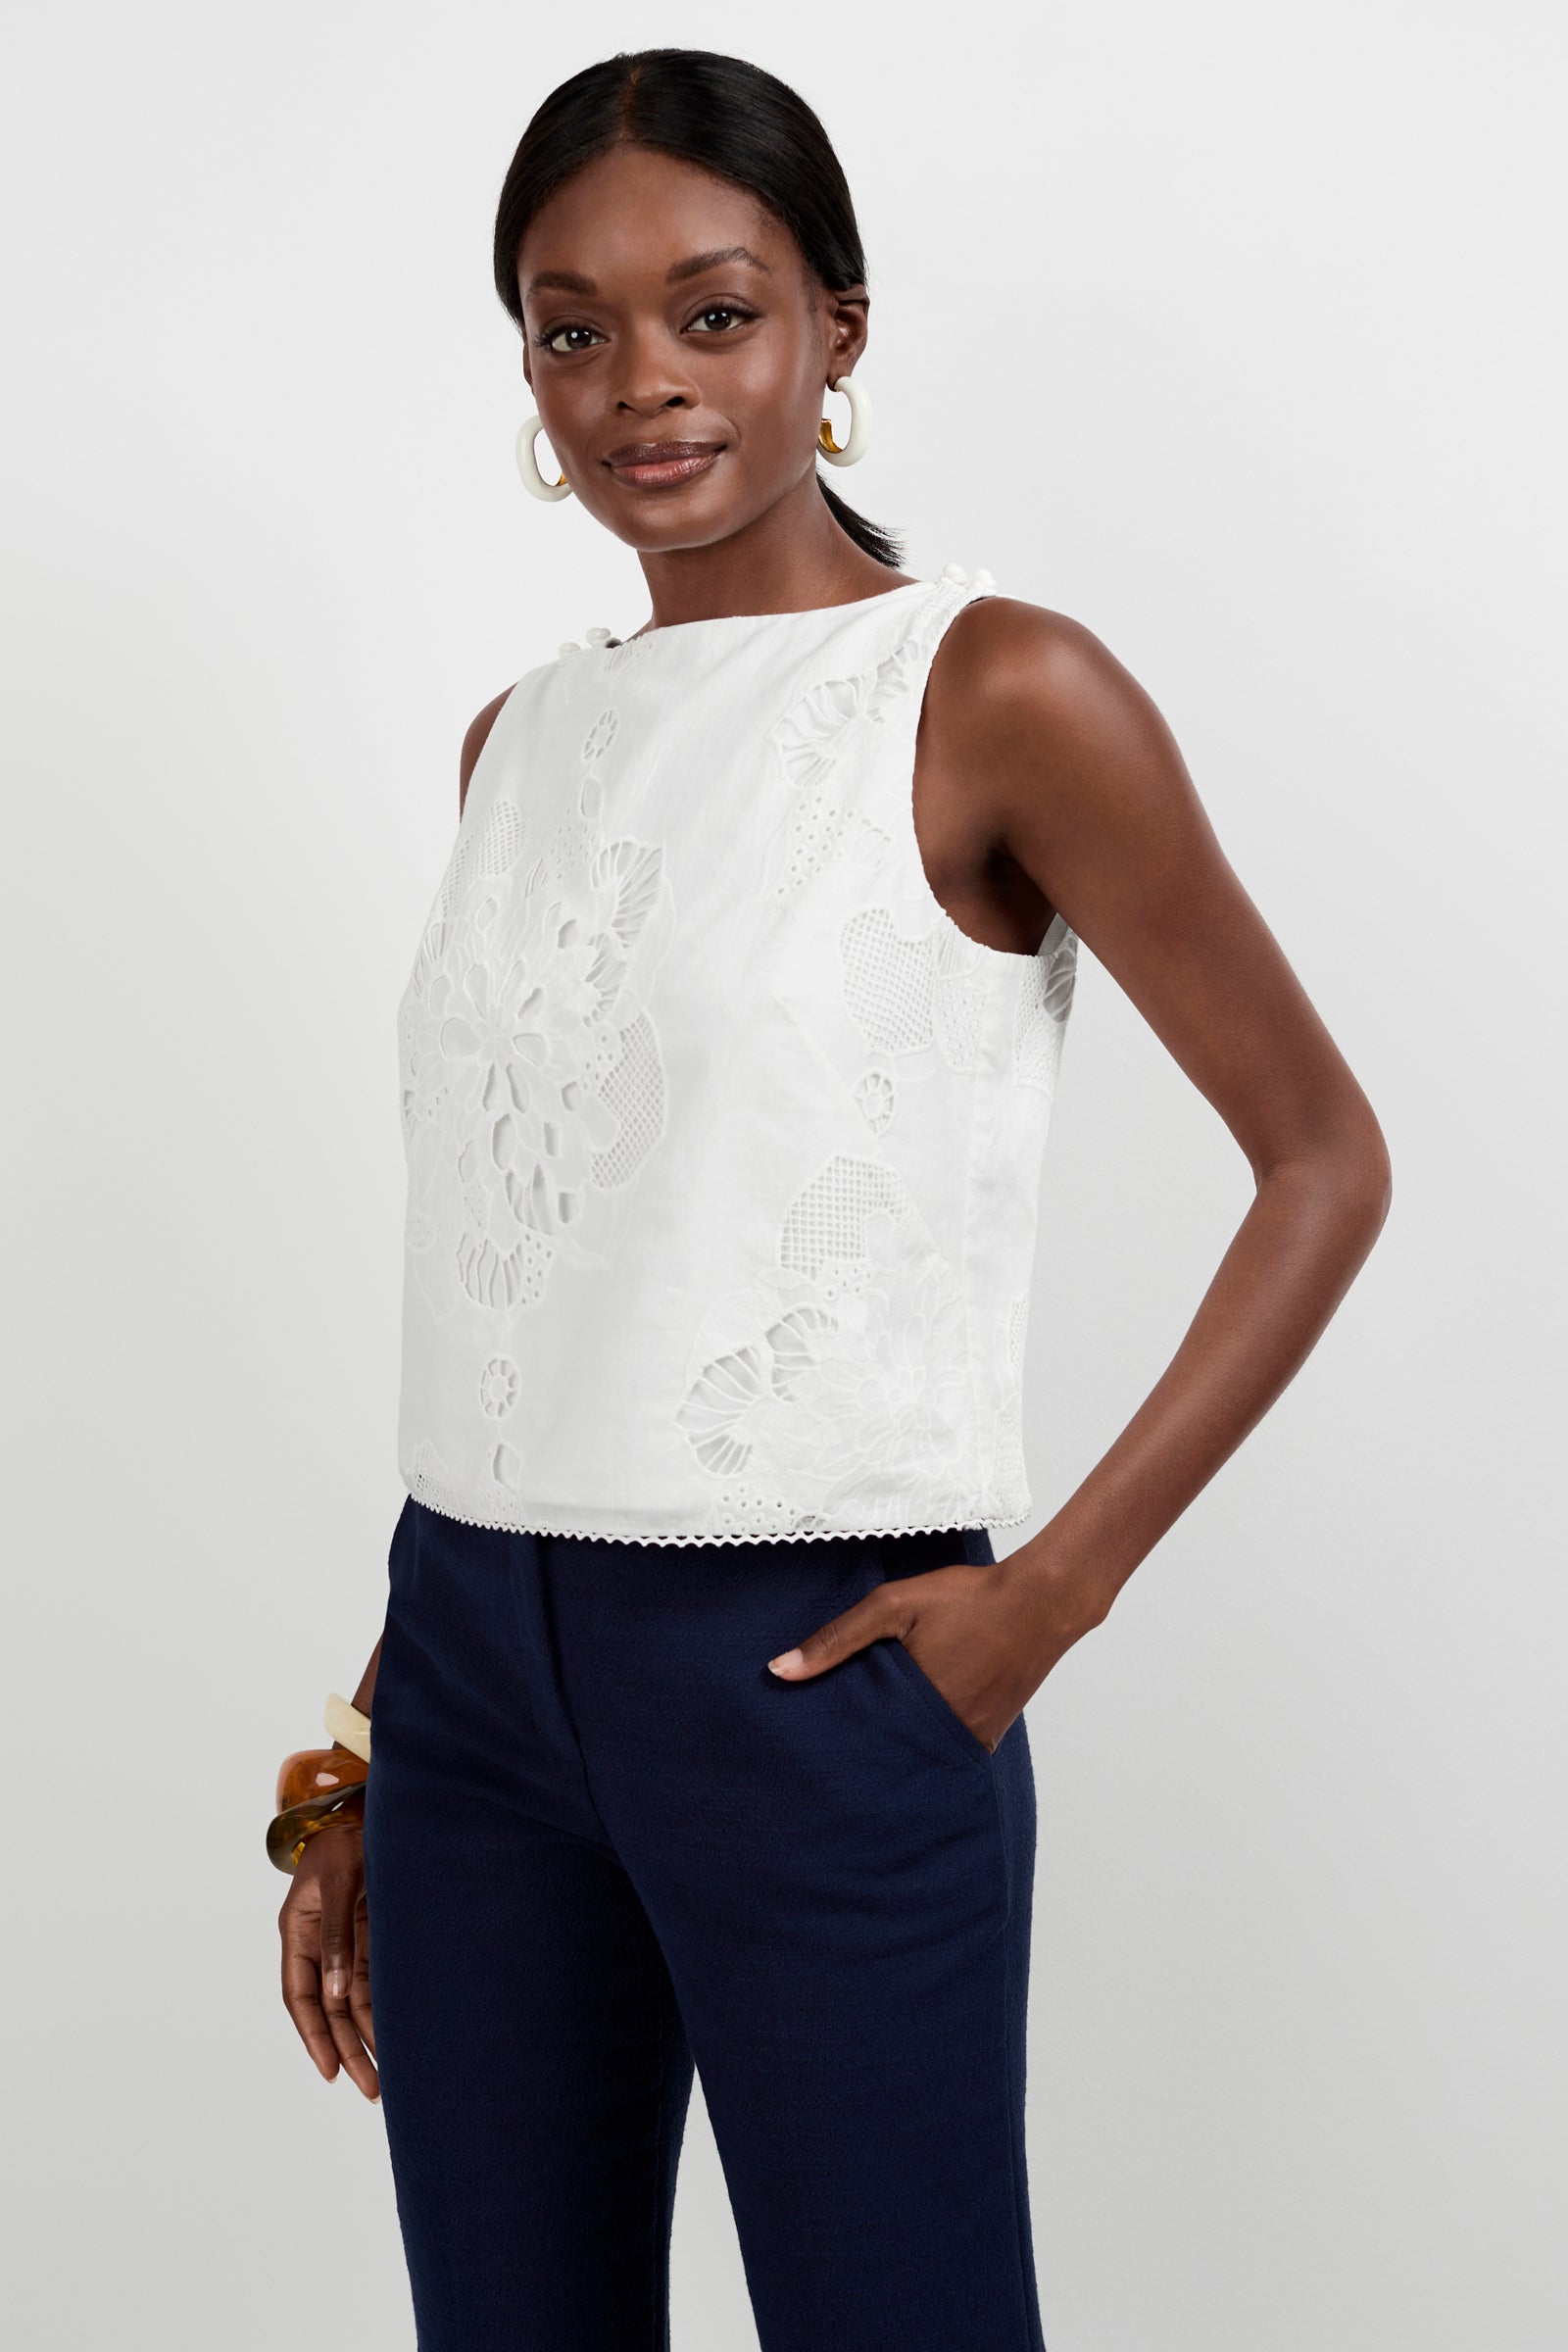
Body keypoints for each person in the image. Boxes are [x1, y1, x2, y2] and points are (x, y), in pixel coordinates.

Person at [272, 46, 1392, 2352]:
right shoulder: (520, 739)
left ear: (837, 332)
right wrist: (378, 1737)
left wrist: (1043, 1599)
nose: (640, 387)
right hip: (469, 1670)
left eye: (714, 311)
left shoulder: (992, 689)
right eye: (570, 328)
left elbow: (1319, 1157)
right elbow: (545, 1243)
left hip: (812, 1663)